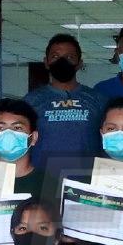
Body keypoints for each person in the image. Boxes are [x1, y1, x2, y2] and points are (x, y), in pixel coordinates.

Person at [25, 33, 102, 173]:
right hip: (43, 182)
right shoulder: (31, 101)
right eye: (55, 56)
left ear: (79, 63)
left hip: (86, 183)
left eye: (69, 57)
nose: (62, 61)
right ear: (46, 62)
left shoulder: (98, 99)